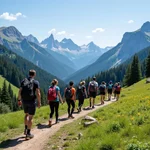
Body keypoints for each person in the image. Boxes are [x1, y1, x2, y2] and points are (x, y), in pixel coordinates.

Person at [18, 70, 41, 140]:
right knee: (30, 117)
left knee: (26, 115)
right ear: (34, 75)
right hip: (31, 101)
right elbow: (38, 93)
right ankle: (28, 133)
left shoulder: (23, 81)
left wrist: (19, 100)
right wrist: (39, 102)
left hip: (24, 101)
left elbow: (20, 91)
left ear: (29, 74)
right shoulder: (36, 82)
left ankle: (25, 129)